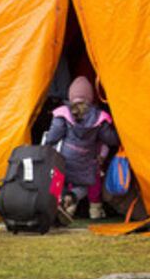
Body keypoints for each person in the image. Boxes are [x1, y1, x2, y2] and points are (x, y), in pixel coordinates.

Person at [42, 75, 119, 220]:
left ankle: (57, 204)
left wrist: (47, 144)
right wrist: (120, 136)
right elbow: (109, 139)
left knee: (60, 181)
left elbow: (53, 136)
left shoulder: (63, 113)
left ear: (70, 96)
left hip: (66, 159)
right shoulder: (98, 116)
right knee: (84, 186)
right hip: (86, 162)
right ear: (90, 97)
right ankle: (70, 199)